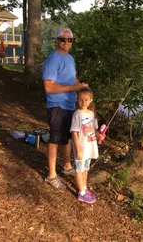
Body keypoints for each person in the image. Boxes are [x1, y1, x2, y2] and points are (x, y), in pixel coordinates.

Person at [42, 28, 88, 189]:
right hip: (57, 105)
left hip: (70, 104)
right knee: (55, 140)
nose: (66, 42)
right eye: (63, 39)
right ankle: (51, 176)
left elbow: (72, 78)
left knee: (67, 138)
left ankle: (67, 166)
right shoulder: (53, 60)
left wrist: (80, 87)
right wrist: (71, 88)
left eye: (70, 40)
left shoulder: (69, 58)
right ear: (57, 41)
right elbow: (49, 87)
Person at [70, 87, 105, 203]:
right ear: (77, 100)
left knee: (85, 169)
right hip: (81, 148)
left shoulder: (92, 114)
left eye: (86, 100)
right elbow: (74, 133)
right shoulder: (77, 114)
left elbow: (94, 130)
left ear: (90, 100)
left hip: (89, 148)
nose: (83, 102)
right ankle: (81, 193)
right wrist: (78, 150)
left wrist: (99, 135)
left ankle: (84, 187)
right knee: (79, 170)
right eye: (80, 99)